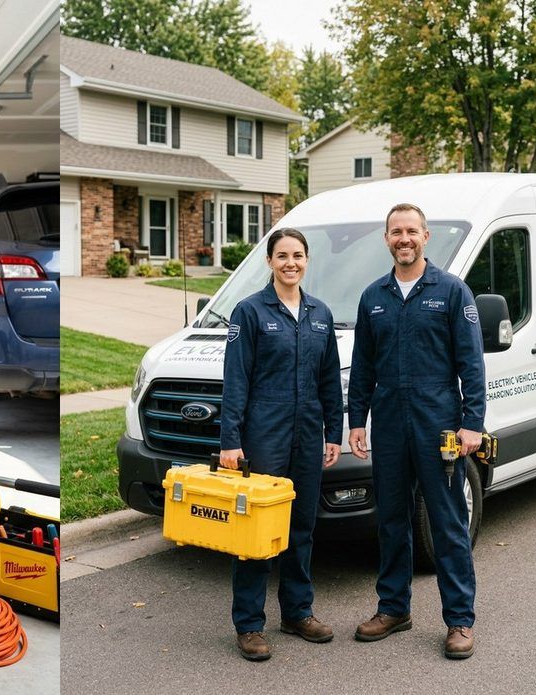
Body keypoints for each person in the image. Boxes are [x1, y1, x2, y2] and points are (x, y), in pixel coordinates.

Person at [347, 203, 485, 659]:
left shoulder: (450, 292)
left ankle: (460, 620)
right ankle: (393, 609)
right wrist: (355, 420)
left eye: (411, 231)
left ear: (425, 236)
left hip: (438, 421)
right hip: (388, 421)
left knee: (446, 522)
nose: (403, 239)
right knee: (390, 519)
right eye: (395, 232)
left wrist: (472, 423)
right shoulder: (374, 297)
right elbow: (363, 366)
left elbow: (471, 363)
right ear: (386, 239)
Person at [219, 228, 343, 661]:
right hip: (264, 434)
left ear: (307, 261)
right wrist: (230, 442)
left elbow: (330, 381)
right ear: (269, 261)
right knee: (256, 532)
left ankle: (297, 612)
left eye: (298, 255)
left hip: (308, 433)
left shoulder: (320, 313)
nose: (291, 263)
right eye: (282, 255)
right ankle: (249, 625)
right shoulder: (249, 312)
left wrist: (334, 433)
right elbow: (235, 381)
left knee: (302, 528)